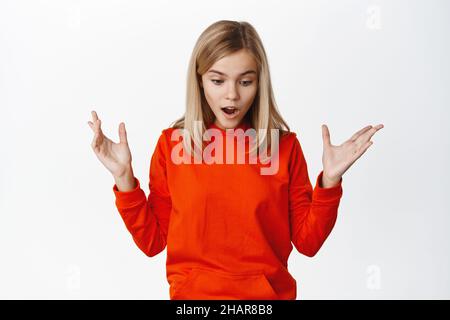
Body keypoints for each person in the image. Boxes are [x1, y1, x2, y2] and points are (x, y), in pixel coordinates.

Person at [87, 20, 383, 300]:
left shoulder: (284, 148)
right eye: (218, 80)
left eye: (245, 81)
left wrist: (329, 182)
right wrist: (124, 178)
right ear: (200, 80)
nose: (232, 95)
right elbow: (152, 242)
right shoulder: (173, 145)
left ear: (259, 83)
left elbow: (307, 243)